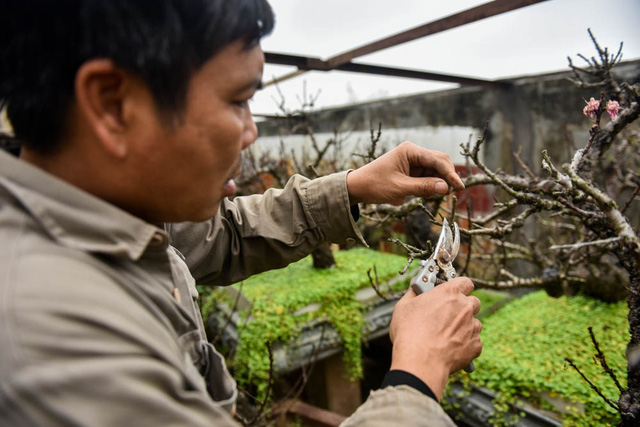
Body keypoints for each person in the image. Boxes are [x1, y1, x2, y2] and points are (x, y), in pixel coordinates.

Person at [0, 1, 482, 425]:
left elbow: (220, 235)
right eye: (238, 100)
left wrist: (353, 187)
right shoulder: (59, 343)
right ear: (111, 105)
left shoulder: (112, 209)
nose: (250, 132)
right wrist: (418, 372)